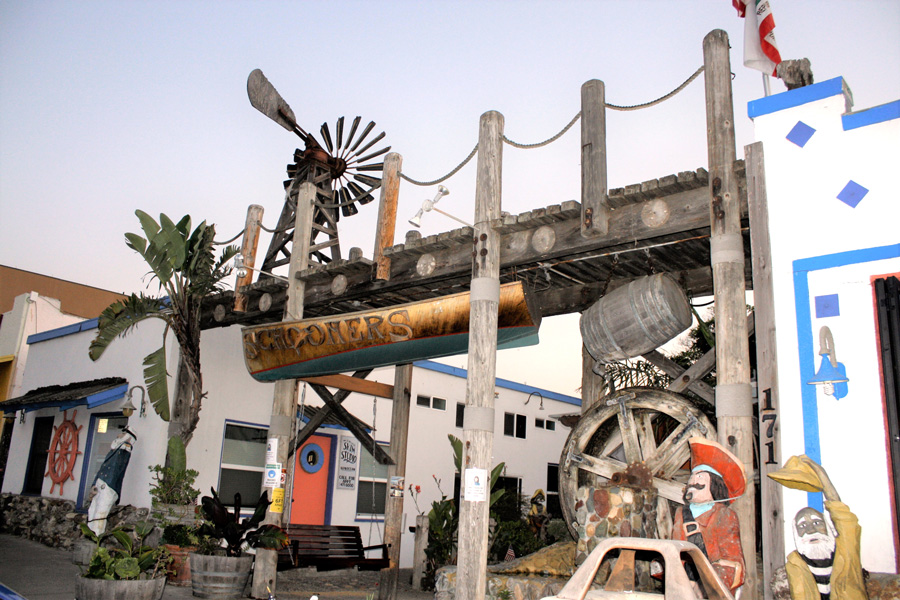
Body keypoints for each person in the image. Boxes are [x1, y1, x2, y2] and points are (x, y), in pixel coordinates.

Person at [770, 455, 867, 600]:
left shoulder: (846, 551)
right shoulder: (795, 565)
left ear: (829, 528)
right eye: (802, 526)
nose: (811, 531)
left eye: (817, 523)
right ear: (796, 534)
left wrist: (819, 471)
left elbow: (839, 509)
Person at [671, 437, 746, 593]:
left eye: (699, 477)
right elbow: (676, 549)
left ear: (714, 485)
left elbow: (732, 559)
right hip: (685, 582)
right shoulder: (681, 513)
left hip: (712, 585)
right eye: (691, 477)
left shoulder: (724, 515)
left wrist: (707, 584)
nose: (692, 481)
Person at [87, 426, 136, 535]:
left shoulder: (124, 451)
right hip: (101, 482)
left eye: (122, 434)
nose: (118, 435)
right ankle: (90, 533)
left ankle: (96, 535)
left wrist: (126, 438)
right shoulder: (114, 450)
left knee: (101, 513)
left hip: (109, 485)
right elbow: (102, 469)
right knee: (92, 510)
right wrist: (94, 484)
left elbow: (126, 442)